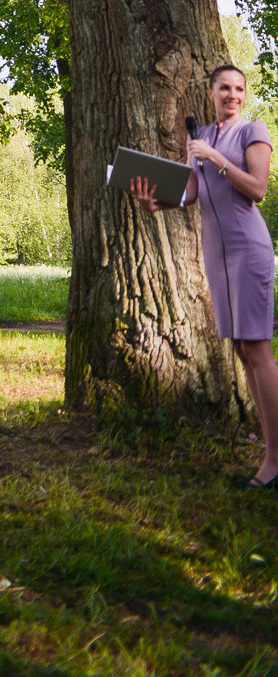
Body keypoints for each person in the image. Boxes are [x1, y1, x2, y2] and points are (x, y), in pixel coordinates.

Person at [129, 63, 277, 489]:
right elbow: (191, 192)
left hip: (248, 247)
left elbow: (257, 189)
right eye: (224, 88)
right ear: (210, 92)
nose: (233, 95)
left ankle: (275, 460)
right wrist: (156, 203)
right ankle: (271, 453)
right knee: (243, 351)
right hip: (217, 252)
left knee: (258, 349)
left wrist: (216, 159)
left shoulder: (253, 131)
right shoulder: (201, 138)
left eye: (239, 89)